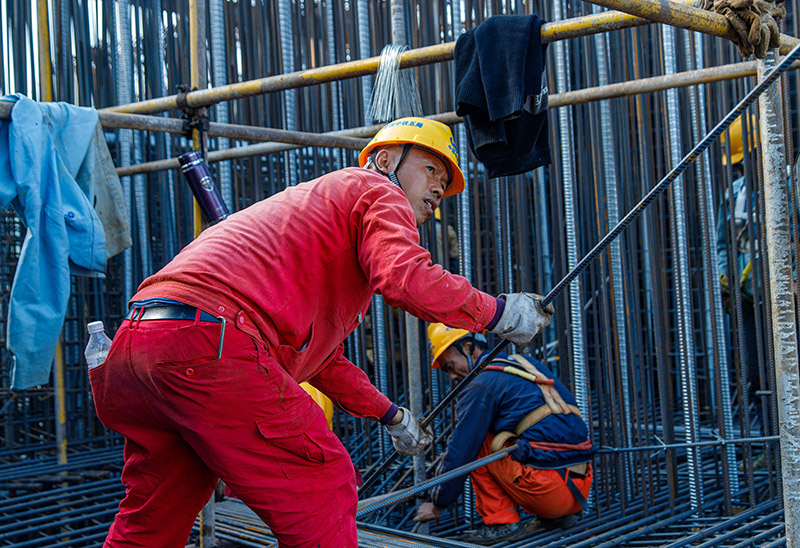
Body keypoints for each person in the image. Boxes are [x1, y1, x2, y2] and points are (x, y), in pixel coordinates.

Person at [89, 116, 555, 548]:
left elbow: (321, 360)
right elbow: (406, 278)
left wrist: (391, 415)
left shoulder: (319, 225)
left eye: (444, 182)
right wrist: (497, 312)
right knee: (323, 482)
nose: (438, 188)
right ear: (386, 160)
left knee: (150, 521)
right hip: (213, 346)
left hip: (140, 350)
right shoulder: (376, 190)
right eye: (432, 169)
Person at [413, 324, 594, 545]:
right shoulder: (522, 364)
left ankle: (502, 523)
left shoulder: (481, 385)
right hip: (581, 486)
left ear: (469, 348)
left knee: (478, 442)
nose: (452, 377)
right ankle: (557, 518)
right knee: (516, 436)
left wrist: (438, 502)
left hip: (549, 491)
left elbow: (460, 452)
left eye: (450, 366)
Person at [716, 115, 772, 452]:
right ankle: (774, 447)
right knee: (757, 374)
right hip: (750, 300)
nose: (741, 168)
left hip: (788, 299)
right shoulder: (735, 193)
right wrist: (727, 281)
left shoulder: (790, 182)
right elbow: (725, 243)